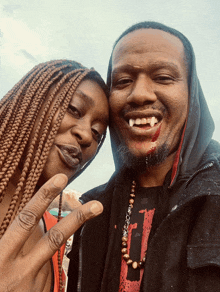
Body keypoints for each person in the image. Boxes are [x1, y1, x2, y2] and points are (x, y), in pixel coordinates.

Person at [67, 21, 220, 292]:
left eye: (163, 77)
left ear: (192, 94)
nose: (139, 95)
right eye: (123, 81)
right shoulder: (91, 212)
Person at [0, 59, 109, 292]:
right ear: (29, 103)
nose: (86, 136)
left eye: (97, 132)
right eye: (74, 109)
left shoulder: (51, 227)